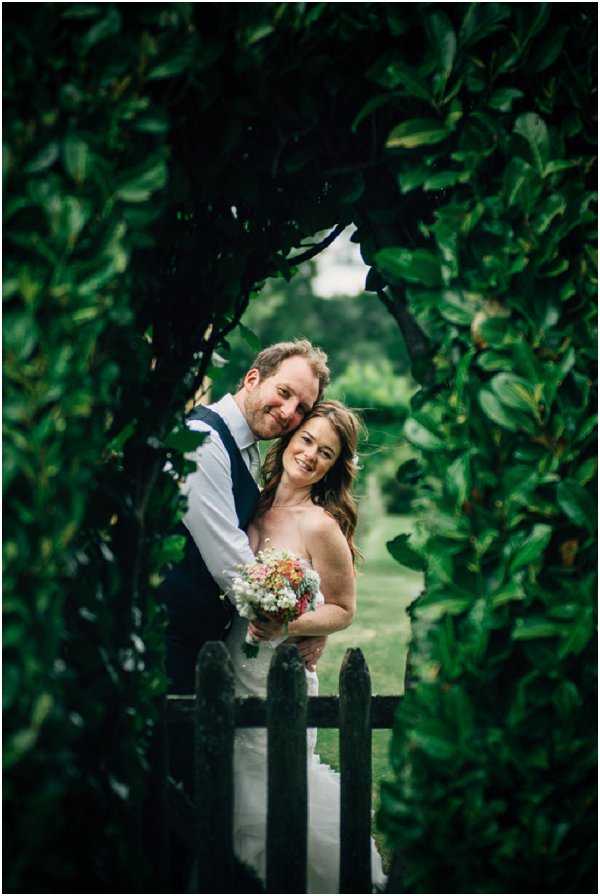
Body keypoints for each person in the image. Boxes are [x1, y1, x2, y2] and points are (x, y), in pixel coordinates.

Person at [225, 400, 387, 893]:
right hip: (228, 662)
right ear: (289, 440)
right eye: (308, 440)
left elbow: (342, 608)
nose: (312, 455)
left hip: (279, 673)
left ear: (334, 466)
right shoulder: (248, 500)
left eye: (327, 452)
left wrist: (289, 627)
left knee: (279, 790)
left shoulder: (320, 525)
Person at [161, 338, 331, 696]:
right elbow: (233, 565)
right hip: (169, 637)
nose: (288, 413)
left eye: (302, 408)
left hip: (202, 641)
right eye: (283, 392)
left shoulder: (247, 449)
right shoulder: (203, 441)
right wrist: (307, 623)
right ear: (252, 378)